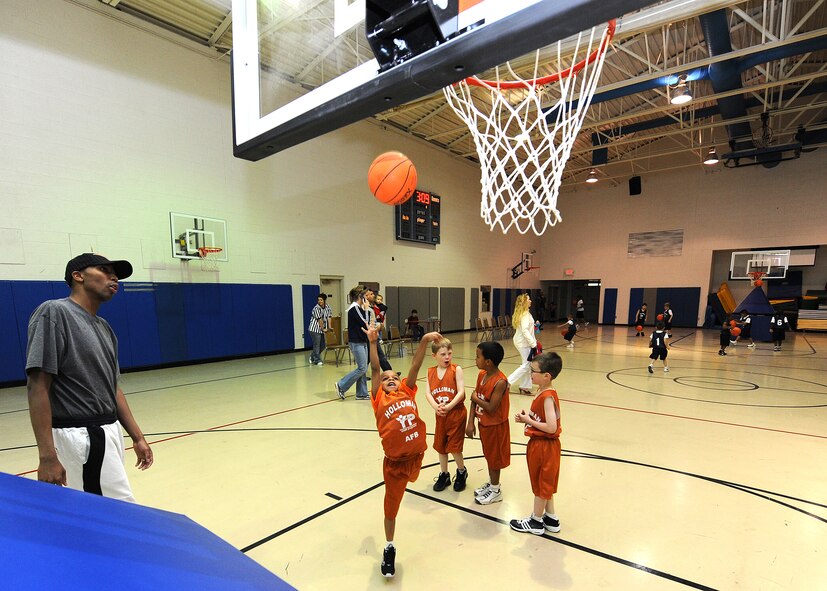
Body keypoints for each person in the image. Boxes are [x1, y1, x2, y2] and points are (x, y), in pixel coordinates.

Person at [25, 253, 153, 501]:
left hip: (108, 431)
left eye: (115, 274)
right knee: (117, 512)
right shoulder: (54, 312)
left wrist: (137, 437)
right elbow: (37, 386)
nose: (113, 277)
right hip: (81, 436)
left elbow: (112, 388)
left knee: (97, 511)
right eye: (104, 270)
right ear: (78, 276)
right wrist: (47, 456)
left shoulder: (104, 327)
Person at [364, 324, 441, 578]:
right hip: (395, 465)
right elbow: (375, 368)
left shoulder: (407, 390)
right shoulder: (378, 399)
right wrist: (373, 342)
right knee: (391, 509)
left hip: (417, 457)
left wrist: (425, 340)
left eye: (393, 377)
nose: (389, 379)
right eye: (385, 379)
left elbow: (416, 366)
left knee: (410, 482)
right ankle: (389, 547)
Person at [509, 351, 563, 535]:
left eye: (534, 371)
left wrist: (528, 421)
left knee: (541, 485)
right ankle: (551, 517)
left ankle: (536, 521)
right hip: (542, 445)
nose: (530, 374)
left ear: (546, 376)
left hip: (544, 446)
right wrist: (528, 418)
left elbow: (550, 427)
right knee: (545, 483)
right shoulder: (543, 390)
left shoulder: (547, 396)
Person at [465, 341, 510, 505]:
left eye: (478, 357)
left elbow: (491, 407)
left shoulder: (500, 382)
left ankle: (496, 490)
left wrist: (475, 398)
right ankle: (492, 484)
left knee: (494, 459)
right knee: (489, 456)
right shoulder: (481, 375)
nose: (475, 360)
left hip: (496, 427)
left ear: (488, 362)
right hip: (483, 424)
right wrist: (470, 422)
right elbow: (474, 400)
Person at [425, 338, 468, 492]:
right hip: (441, 414)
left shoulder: (456, 370)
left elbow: (461, 391)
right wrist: (436, 406)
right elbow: (428, 393)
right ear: (434, 356)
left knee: (455, 447)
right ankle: (444, 474)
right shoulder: (430, 372)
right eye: (443, 354)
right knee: (441, 446)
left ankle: (461, 472)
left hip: (456, 413)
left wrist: (449, 406)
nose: (447, 357)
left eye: (449, 353)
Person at [334, 286, 371, 400]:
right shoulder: (354, 309)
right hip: (356, 342)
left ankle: (362, 393)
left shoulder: (358, 308)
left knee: (363, 367)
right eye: (365, 296)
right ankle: (341, 385)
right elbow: (366, 323)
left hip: (362, 341)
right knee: (362, 368)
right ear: (360, 297)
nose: (367, 298)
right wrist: (366, 310)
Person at [507, 293, 537, 396]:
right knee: (527, 364)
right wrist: (533, 344)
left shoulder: (526, 313)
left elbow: (528, 329)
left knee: (528, 365)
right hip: (523, 343)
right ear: (524, 302)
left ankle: (524, 387)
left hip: (524, 342)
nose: (530, 301)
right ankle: (507, 382)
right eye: (528, 299)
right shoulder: (524, 315)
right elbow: (524, 330)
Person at [365, 289, 392, 371]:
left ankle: (388, 371)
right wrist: (378, 326)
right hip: (368, 335)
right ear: (366, 296)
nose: (374, 295)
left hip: (373, 335)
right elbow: (367, 322)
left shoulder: (373, 306)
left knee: (378, 355)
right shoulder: (365, 308)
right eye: (371, 294)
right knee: (372, 356)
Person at [308, 293, 332, 366]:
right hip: (314, 329)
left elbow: (329, 317)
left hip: (321, 329)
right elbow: (319, 320)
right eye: (318, 300)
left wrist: (330, 327)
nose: (319, 301)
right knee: (317, 344)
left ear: (324, 300)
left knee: (323, 345)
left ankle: (312, 356)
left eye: (321, 300)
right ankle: (317, 360)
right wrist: (323, 329)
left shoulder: (328, 307)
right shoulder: (316, 308)